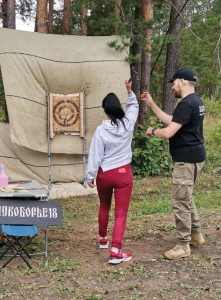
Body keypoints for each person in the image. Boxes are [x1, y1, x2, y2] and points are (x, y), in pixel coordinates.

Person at [141, 68, 206, 260]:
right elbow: (173, 121)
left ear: (183, 82)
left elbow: (169, 132)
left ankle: (183, 245)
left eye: (174, 82)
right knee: (186, 197)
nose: (172, 86)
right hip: (195, 156)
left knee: (179, 202)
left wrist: (153, 131)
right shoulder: (196, 101)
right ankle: (196, 234)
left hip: (186, 159)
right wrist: (152, 104)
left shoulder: (186, 104)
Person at [86, 79, 139, 264]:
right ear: (117, 108)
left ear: (105, 111)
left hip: (105, 174)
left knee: (104, 206)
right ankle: (116, 251)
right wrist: (129, 91)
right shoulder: (128, 124)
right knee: (121, 213)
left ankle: (102, 239)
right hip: (123, 173)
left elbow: (95, 154)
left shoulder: (101, 130)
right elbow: (134, 107)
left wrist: (90, 176)